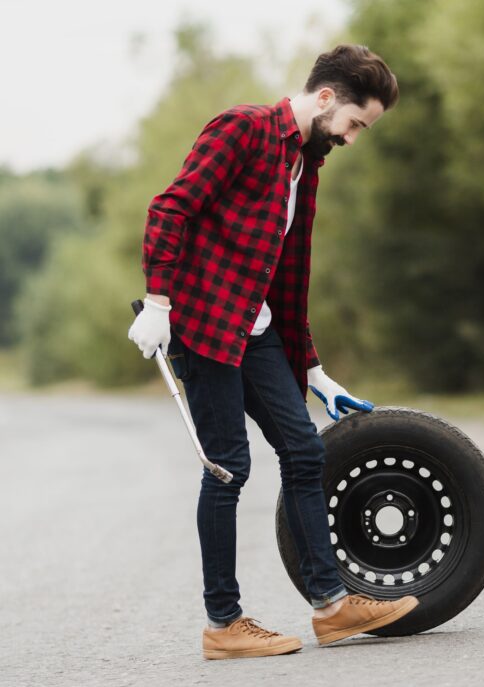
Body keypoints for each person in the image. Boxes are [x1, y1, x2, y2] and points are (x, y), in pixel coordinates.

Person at [127, 44, 418, 660]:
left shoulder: (304, 165)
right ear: (326, 97)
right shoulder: (244, 130)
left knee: (304, 450)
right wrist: (158, 302)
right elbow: (170, 208)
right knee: (227, 467)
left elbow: (286, 279)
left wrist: (313, 369)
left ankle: (332, 607)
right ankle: (223, 624)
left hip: (256, 331)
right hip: (204, 324)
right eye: (355, 123)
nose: (352, 138)